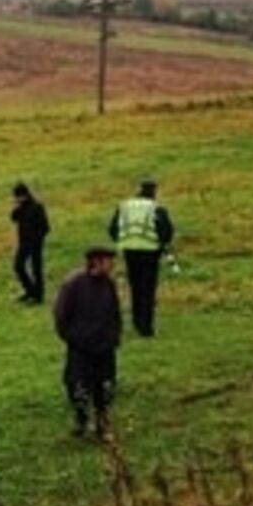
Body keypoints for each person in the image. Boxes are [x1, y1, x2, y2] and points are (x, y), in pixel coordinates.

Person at [53, 245, 122, 438]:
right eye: (108, 261)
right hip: (80, 347)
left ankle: (102, 422)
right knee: (78, 386)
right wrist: (73, 338)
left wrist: (113, 337)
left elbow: (115, 314)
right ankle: (81, 419)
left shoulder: (109, 284)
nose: (112, 265)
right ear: (96, 261)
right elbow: (61, 317)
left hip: (105, 347)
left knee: (105, 386)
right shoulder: (74, 285)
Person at [107, 177, 175, 338]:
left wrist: (122, 241)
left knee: (135, 286)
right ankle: (146, 327)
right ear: (154, 191)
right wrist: (162, 244)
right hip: (150, 252)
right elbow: (166, 230)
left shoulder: (124, 206)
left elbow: (112, 228)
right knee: (148, 289)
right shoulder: (156, 208)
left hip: (130, 250)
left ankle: (136, 322)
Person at [9, 182, 50, 304]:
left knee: (36, 269)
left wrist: (37, 239)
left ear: (25, 195)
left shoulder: (37, 207)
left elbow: (45, 227)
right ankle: (30, 290)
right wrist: (17, 207)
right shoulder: (22, 208)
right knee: (18, 266)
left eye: (19, 197)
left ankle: (38, 296)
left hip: (35, 243)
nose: (17, 199)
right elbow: (13, 218)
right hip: (24, 242)